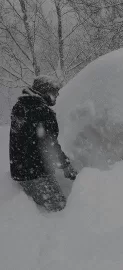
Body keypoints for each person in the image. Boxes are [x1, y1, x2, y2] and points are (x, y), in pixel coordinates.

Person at [9, 75, 77, 212]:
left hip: (19, 170)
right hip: (36, 174)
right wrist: (66, 165)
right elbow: (49, 144)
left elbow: (31, 140)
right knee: (60, 210)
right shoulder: (41, 111)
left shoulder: (21, 106)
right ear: (46, 93)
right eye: (55, 93)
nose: (57, 97)